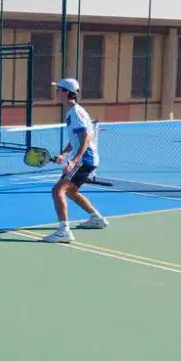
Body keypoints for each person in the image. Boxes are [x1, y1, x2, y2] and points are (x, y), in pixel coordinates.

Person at [43, 78, 108, 243]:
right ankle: (96, 218)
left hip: (84, 159)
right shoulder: (74, 111)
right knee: (71, 191)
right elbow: (76, 138)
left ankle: (64, 230)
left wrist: (75, 160)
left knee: (58, 190)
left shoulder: (76, 112)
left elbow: (85, 137)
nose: (56, 92)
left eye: (58, 90)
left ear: (66, 92)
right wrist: (64, 154)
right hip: (86, 159)